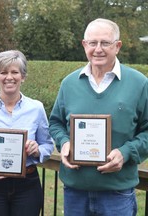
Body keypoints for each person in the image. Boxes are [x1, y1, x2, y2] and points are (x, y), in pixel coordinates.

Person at [49, 18, 148, 216]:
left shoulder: (139, 83)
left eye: (105, 43)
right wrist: (64, 142)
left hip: (117, 194)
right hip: (74, 192)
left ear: (117, 46)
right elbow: (56, 123)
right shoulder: (69, 83)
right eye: (93, 43)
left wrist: (126, 152)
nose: (98, 49)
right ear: (84, 45)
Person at [0, 50, 54, 216]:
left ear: (23, 76)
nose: (9, 77)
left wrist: (37, 150)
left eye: (15, 72)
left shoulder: (36, 108)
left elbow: (47, 144)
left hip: (27, 185)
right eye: (3, 72)